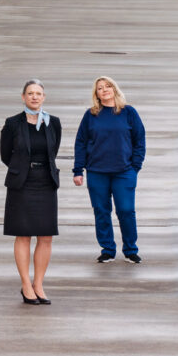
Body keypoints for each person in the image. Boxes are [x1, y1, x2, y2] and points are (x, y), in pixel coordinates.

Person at [72, 76, 146, 264]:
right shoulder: (91, 115)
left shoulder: (128, 112)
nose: (104, 90)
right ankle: (107, 249)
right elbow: (80, 142)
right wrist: (78, 170)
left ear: (115, 89)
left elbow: (139, 140)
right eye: (100, 88)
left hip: (124, 172)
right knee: (101, 210)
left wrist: (135, 167)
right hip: (97, 172)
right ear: (96, 94)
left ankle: (130, 249)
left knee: (126, 210)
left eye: (108, 86)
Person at [0, 79, 61, 305]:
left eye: (38, 93)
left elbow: (53, 150)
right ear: (23, 96)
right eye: (30, 93)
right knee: (23, 234)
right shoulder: (12, 123)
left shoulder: (53, 122)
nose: (34, 97)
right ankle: (26, 284)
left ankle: (39, 284)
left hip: (46, 182)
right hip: (22, 183)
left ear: (44, 97)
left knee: (46, 236)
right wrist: (22, 168)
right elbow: (5, 154)